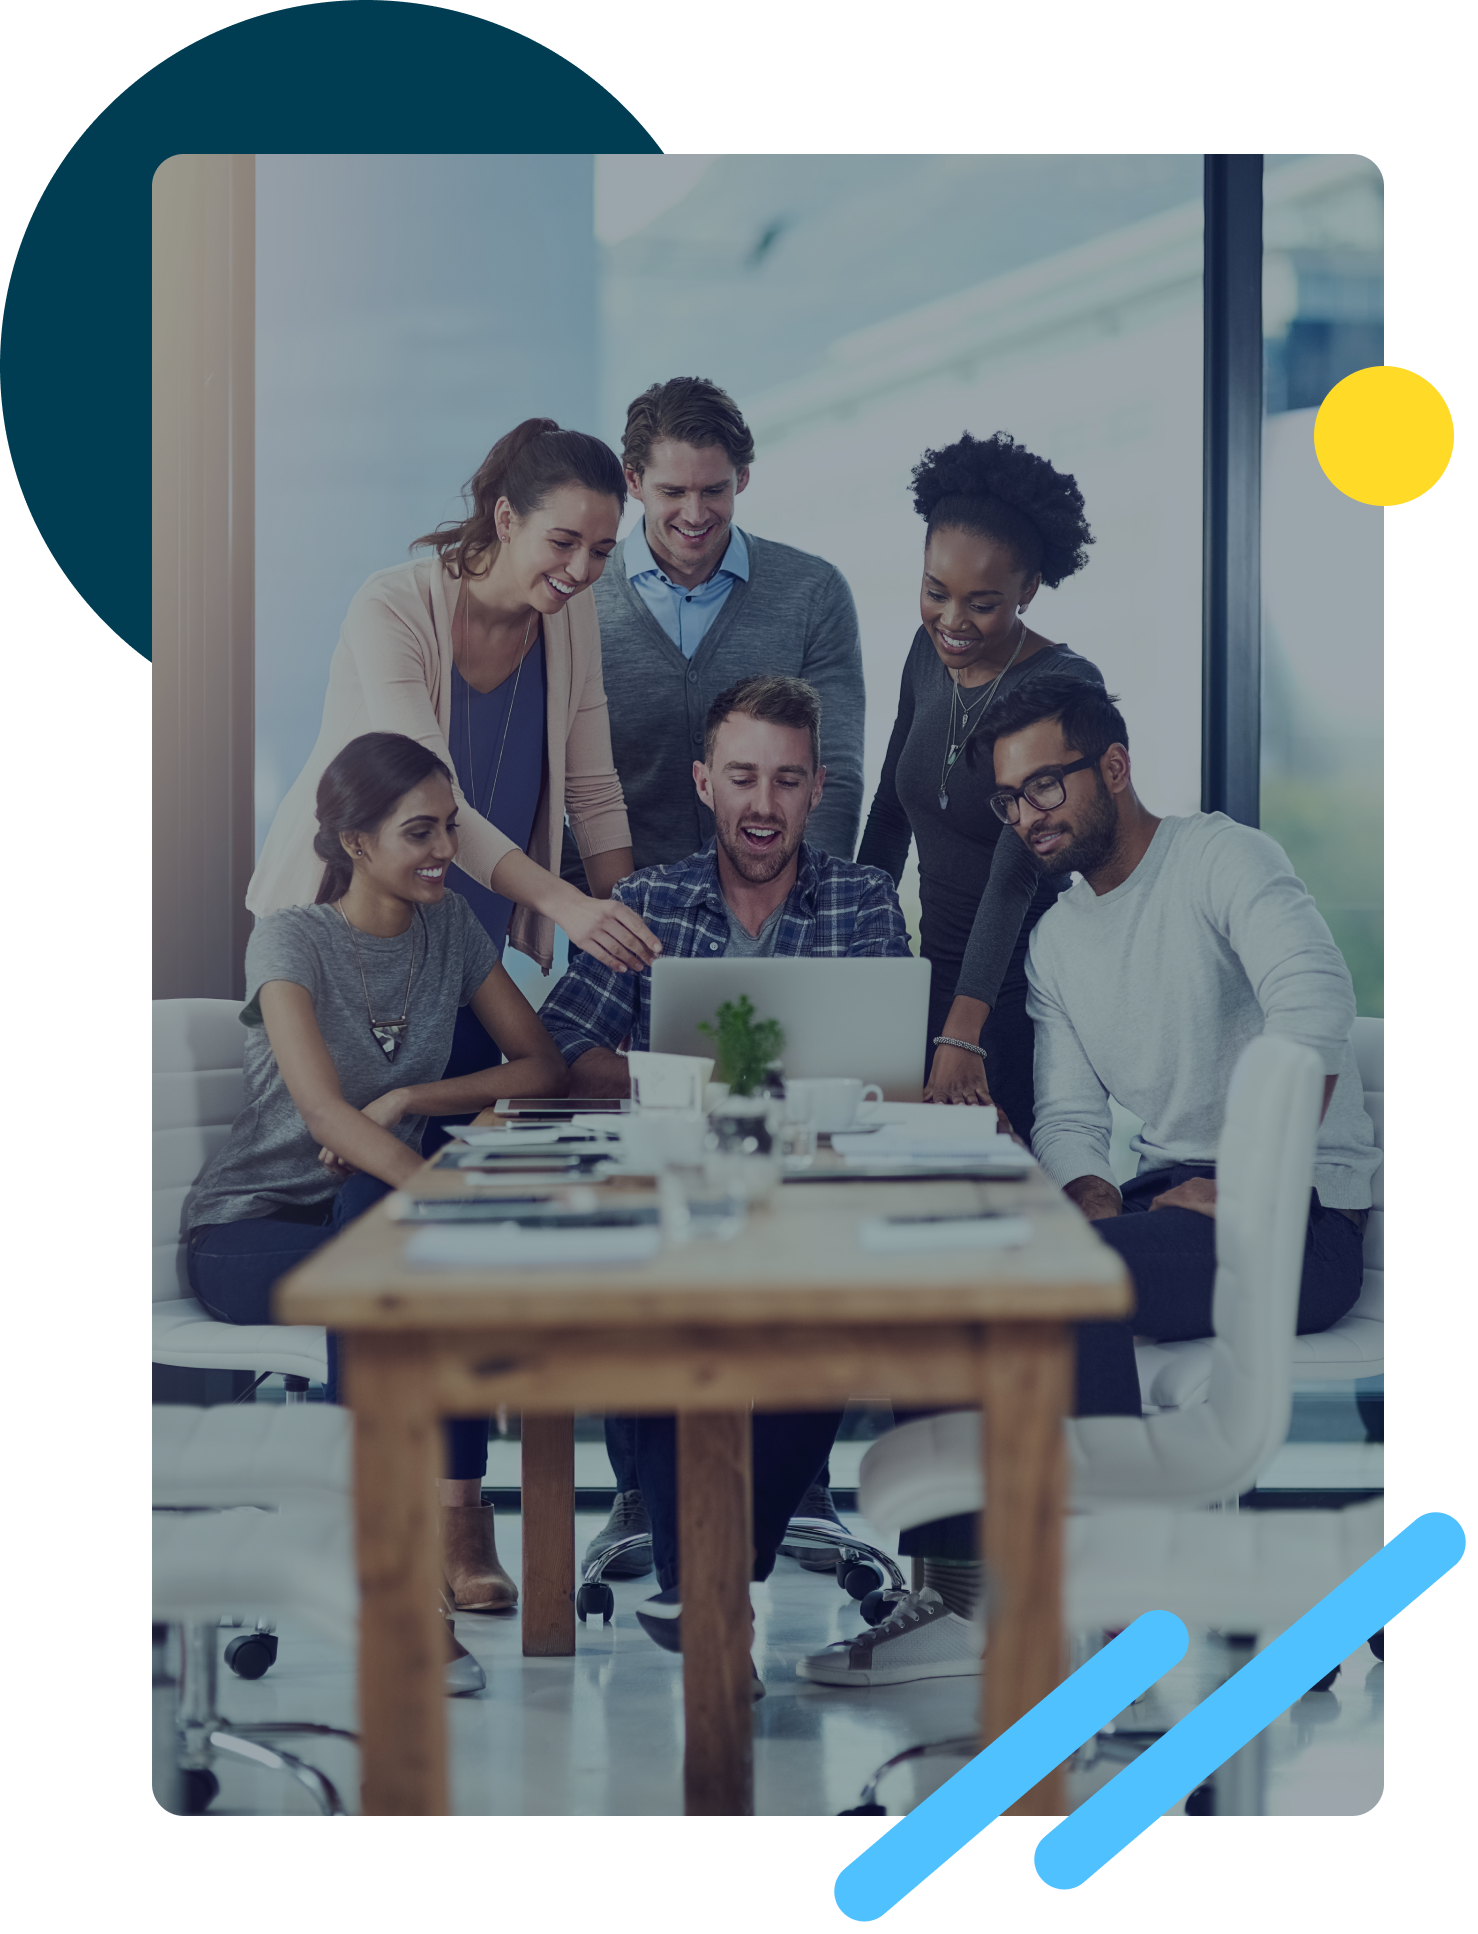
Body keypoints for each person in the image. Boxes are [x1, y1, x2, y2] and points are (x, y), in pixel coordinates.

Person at [796, 678, 1377, 1689]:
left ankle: (1125, 1608)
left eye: (1045, 785)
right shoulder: (1057, 937)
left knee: (1057, 1284)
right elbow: (1068, 1119)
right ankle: (960, 1595)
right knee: (955, 1276)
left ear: (1111, 765)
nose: (1028, 815)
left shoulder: (1222, 858)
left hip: (1296, 1221)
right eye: (1010, 800)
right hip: (1165, 1208)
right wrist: (1090, 1200)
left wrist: (1246, 1183)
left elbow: (1313, 1012)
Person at [537, 676, 912, 1681]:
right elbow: (565, 1054)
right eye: (742, 776)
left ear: (816, 788)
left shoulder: (862, 900)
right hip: (673, 1207)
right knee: (651, 1316)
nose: (762, 803)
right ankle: (707, 1593)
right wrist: (720, 1077)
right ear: (704, 781)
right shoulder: (646, 901)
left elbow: (893, 1068)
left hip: (815, 1206)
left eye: (786, 780)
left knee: (820, 1318)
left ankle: (709, 1585)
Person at [185, 733, 572, 1656]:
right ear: (355, 842)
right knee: (401, 1242)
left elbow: (541, 1064)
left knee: (400, 1237)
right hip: (253, 1234)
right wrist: (448, 1194)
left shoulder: (449, 930)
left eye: (450, 827)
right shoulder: (289, 939)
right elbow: (324, 1114)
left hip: (372, 1211)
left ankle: (450, 1525)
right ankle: (392, 1560)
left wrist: (411, 1099)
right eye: (419, 832)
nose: (446, 851)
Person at [248, 418, 663, 1121]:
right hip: (349, 928)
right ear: (506, 517)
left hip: (462, 942)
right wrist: (564, 905)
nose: (581, 570)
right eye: (563, 542)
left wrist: (624, 939)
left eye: (600, 551)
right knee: (340, 1163)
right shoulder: (393, 607)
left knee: (453, 1158)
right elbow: (432, 801)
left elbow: (593, 793)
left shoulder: (572, 616)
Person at [856, 431, 1104, 1137]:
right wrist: (853, 956)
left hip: (1020, 995)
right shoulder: (927, 651)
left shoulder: (1058, 685)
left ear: (1029, 589)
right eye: (936, 592)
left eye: (983, 603)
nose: (952, 622)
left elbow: (1014, 875)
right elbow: (887, 814)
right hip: (929, 984)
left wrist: (963, 1030)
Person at [574, 376, 866, 877]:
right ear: (634, 481)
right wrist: (598, 907)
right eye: (673, 491)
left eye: (715, 490)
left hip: (783, 915)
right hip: (623, 915)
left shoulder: (813, 593)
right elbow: (557, 786)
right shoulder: (578, 601)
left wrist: (805, 906)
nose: (695, 514)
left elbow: (833, 771)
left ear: (743, 477)